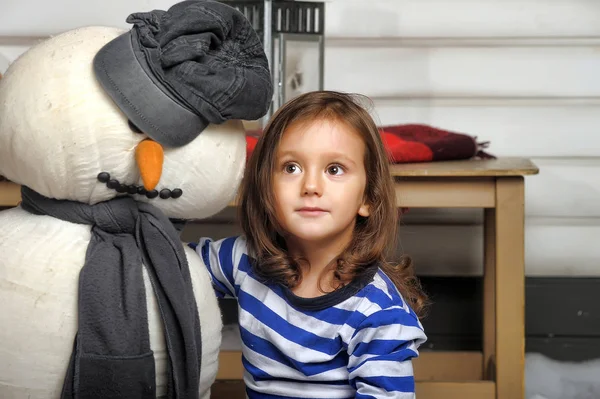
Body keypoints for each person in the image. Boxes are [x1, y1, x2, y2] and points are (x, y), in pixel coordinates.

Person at [190, 90, 428, 398]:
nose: (311, 186)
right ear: (266, 190)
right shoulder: (243, 260)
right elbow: (174, 268)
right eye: (291, 168)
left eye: (334, 169)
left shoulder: (378, 311)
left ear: (368, 197)